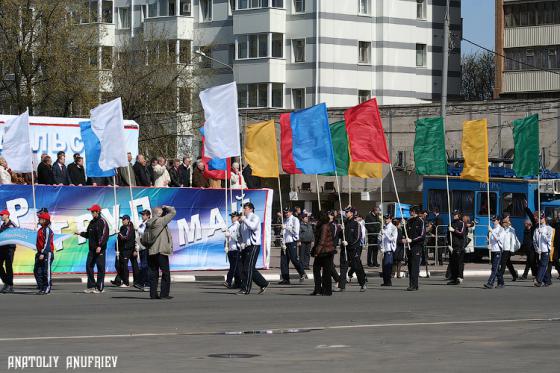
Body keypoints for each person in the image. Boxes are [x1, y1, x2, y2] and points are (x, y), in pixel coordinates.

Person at [143, 205, 176, 299]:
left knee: (153, 273)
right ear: (159, 213)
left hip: (151, 252)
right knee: (165, 273)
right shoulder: (160, 221)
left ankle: (153, 294)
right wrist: (167, 207)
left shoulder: (148, 223)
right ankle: (164, 294)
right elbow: (173, 212)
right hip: (160, 251)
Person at [238, 202, 269, 295]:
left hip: (254, 245)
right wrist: (241, 243)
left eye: (246, 208)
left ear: (251, 209)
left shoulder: (254, 217)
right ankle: (263, 283)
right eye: (243, 208)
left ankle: (245, 289)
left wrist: (244, 220)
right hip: (246, 247)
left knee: (248, 268)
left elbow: (252, 226)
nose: (244, 210)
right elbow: (242, 235)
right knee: (246, 268)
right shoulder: (243, 221)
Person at [78, 204, 109, 294]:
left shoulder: (102, 222)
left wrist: (100, 246)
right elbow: (88, 234)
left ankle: (100, 287)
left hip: (100, 249)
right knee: (89, 266)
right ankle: (91, 286)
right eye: (91, 212)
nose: (92, 213)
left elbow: (105, 236)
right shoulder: (91, 222)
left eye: (93, 212)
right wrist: (80, 233)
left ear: (98, 212)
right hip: (92, 249)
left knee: (100, 268)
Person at [339, 207, 367, 292]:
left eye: (347, 212)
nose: (346, 213)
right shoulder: (344, 223)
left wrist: (349, 242)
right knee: (343, 267)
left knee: (356, 266)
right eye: (346, 212)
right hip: (345, 248)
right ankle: (342, 286)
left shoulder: (356, 224)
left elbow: (358, 237)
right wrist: (341, 230)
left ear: (352, 213)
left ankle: (362, 283)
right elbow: (341, 235)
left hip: (353, 249)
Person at [279, 208, 307, 285]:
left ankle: (302, 273)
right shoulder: (284, 220)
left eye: (287, 212)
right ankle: (285, 279)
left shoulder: (295, 220)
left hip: (292, 242)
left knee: (294, 259)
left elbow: (295, 231)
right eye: (285, 212)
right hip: (285, 242)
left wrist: (286, 227)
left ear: (291, 212)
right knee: (284, 261)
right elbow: (283, 233)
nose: (286, 214)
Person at [310, 211, 335, 296]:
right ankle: (318, 289)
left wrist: (317, 252)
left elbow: (322, 240)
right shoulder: (321, 225)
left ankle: (326, 290)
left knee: (326, 272)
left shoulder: (324, 226)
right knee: (317, 270)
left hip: (326, 252)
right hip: (323, 251)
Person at [34, 211, 54, 295]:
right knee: (37, 271)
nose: (39, 219)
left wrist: (43, 253)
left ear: (45, 220)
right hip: (40, 252)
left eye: (40, 218)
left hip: (47, 253)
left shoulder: (47, 230)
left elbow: (47, 242)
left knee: (46, 271)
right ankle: (41, 287)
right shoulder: (40, 229)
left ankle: (47, 288)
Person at [115, 215, 138, 287]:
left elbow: (126, 238)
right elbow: (119, 239)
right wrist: (117, 248)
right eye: (122, 219)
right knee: (120, 264)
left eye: (124, 219)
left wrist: (118, 233)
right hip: (123, 249)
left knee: (128, 265)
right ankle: (118, 280)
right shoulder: (123, 227)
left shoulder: (130, 228)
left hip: (128, 249)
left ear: (128, 220)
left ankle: (127, 282)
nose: (122, 221)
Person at [406, 206, 425, 291]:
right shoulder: (409, 221)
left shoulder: (420, 221)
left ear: (414, 212)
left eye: (411, 211)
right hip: (409, 246)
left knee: (414, 266)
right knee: (410, 266)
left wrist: (412, 240)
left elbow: (422, 235)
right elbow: (405, 233)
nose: (410, 212)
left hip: (417, 246)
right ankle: (412, 284)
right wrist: (404, 226)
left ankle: (414, 285)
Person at [484, 216, 505, 289]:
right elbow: (490, 240)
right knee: (496, 269)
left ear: (499, 221)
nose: (493, 222)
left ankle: (490, 283)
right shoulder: (492, 229)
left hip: (498, 251)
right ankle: (501, 283)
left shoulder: (501, 229)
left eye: (495, 220)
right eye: (492, 220)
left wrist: (492, 232)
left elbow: (498, 238)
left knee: (494, 268)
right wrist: (488, 244)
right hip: (493, 250)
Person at [447, 210, 466, 285]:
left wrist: (454, 230)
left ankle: (459, 277)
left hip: (459, 246)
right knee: (452, 263)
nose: (454, 215)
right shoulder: (451, 223)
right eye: (453, 214)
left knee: (459, 263)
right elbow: (448, 235)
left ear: (459, 215)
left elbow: (462, 233)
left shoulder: (462, 223)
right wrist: (448, 244)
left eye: (455, 214)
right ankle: (454, 278)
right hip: (452, 246)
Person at [499, 214, 520, 283]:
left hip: (508, 249)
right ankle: (514, 275)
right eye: (507, 218)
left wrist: (512, 250)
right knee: (508, 263)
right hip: (502, 248)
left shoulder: (511, 230)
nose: (508, 219)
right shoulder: (501, 229)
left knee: (503, 262)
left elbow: (513, 240)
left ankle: (500, 276)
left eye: (508, 218)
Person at [534, 214, 553, 287]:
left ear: (544, 218)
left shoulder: (549, 228)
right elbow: (534, 240)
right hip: (539, 251)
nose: (539, 219)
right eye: (538, 218)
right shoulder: (536, 229)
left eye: (541, 218)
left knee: (542, 265)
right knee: (541, 266)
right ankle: (547, 281)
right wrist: (536, 249)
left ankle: (538, 281)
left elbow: (549, 239)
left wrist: (543, 234)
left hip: (545, 250)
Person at [0, 210, 17, 293]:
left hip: (10, 248)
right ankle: (6, 282)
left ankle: (10, 285)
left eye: (2, 215)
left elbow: (16, 234)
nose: (1, 216)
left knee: (8, 266)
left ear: (7, 215)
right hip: (2, 248)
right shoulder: (2, 225)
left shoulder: (12, 225)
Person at [224, 212, 242, 289]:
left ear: (237, 217)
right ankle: (238, 283)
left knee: (233, 267)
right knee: (236, 268)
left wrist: (230, 234)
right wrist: (226, 246)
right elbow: (227, 239)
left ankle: (228, 281)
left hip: (236, 249)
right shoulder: (231, 226)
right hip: (231, 249)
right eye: (231, 217)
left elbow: (239, 238)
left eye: (233, 217)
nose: (232, 218)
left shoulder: (238, 226)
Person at [134, 210, 151, 291]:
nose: (142, 216)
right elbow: (138, 236)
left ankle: (146, 283)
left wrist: (137, 229)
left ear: (148, 216)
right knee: (143, 266)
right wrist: (137, 246)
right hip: (141, 247)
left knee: (145, 266)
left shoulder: (149, 223)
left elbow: (146, 233)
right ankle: (143, 283)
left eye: (144, 215)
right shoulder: (141, 224)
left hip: (146, 247)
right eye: (142, 215)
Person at [521, 205, 538, 279]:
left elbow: (531, 217)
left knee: (532, 261)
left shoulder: (535, 226)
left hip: (533, 247)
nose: (534, 218)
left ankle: (537, 275)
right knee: (529, 261)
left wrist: (526, 208)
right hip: (528, 247)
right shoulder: (527, 229)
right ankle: (526, 275)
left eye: (535, 216)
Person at [380, 214, 397, 286]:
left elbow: (392, 238)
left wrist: (385, 233)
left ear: (390, 219)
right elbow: (381, 238)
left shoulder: (393, 228)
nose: (386, 220)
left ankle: (388, 281)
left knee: (387, 266)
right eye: (385, 218)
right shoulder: (384, 226)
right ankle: (385, 281)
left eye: (387, 218)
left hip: (389, 249)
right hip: (384, 249)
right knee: (384, 267)